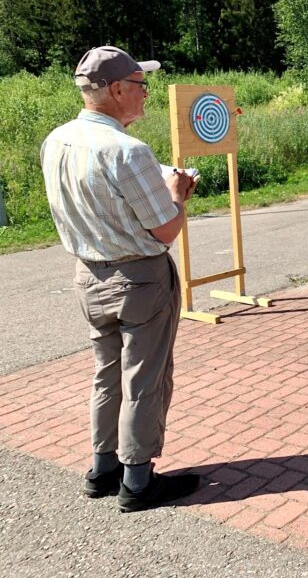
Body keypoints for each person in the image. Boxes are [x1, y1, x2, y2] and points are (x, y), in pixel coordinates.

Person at [40, 46, 200, 512]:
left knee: (107, 373)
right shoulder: (128, 151)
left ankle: (103, 467)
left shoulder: (56, 140)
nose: (146, 93)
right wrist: (178, 195)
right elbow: (165, 229)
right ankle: (138, 480)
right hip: (138, 278)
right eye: (140, 85)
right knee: (145, 378)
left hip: (88, 275)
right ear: (115, 90)